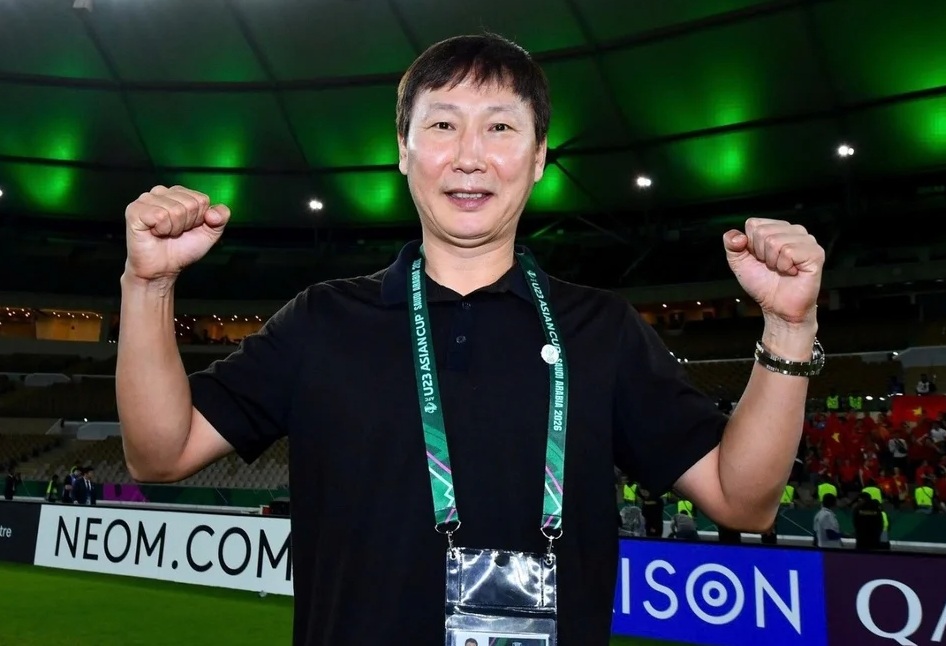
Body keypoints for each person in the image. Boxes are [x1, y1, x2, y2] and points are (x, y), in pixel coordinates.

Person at [115, 33, 826, 646]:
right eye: (442, 125)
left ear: (539, 156)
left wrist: (790, 327)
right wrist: (147, 285)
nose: (469, 157)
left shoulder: (601, 329)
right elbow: (159, 453)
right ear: (403, 151)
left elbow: (743, 499)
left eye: (500, 127)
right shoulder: (322, 320)